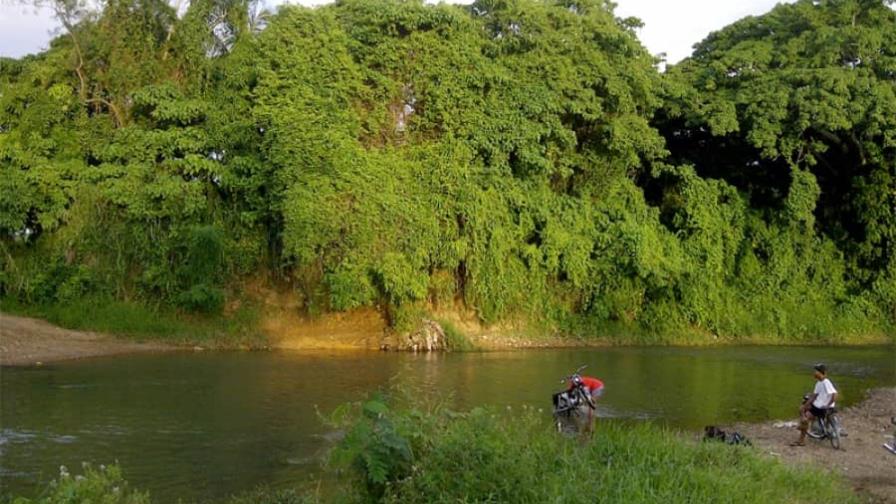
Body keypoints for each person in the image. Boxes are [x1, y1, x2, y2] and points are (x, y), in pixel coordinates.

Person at [791, 363, 838, 447]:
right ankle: (804, 425)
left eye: (816, 371)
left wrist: (828, 405)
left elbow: (834, 394)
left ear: (821, 372)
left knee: (804, 416)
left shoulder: (825, 382)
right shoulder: (818, 383)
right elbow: (814, 397)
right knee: (803, 409)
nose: (814, 373)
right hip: (819, 406)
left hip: (821, 408)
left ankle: (801, 436)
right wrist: (806, 406)